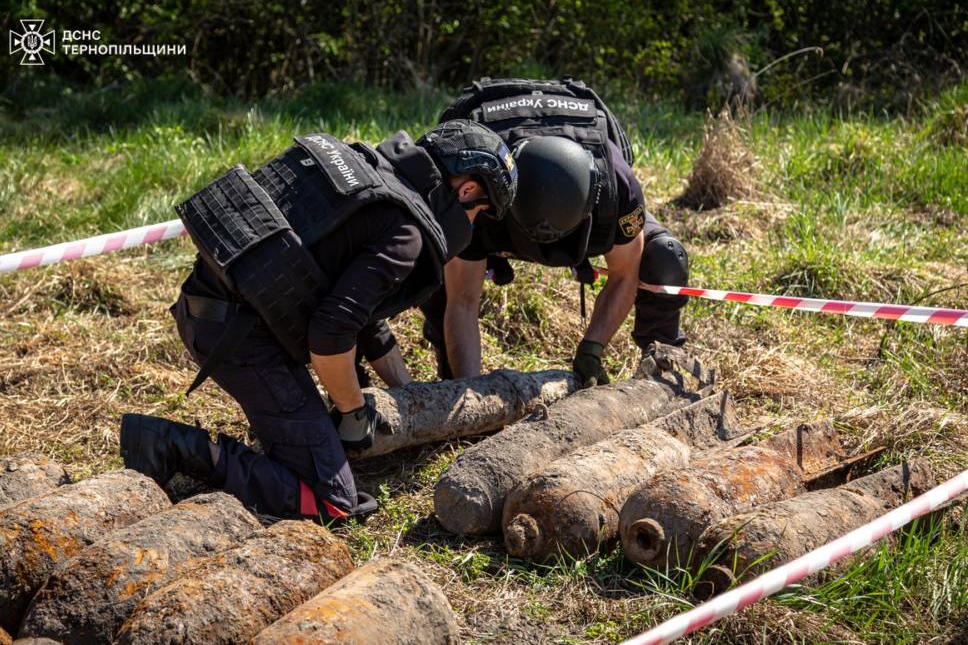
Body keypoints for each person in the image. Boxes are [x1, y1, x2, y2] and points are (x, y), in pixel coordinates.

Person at [120, 120, 517, 521]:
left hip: (210, 308)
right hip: (240, 338)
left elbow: (360, 316)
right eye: (480, 212)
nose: (472, 224)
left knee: (323, 443)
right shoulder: (406, 233)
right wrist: (353, 412)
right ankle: (168, 446)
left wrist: (408, 391)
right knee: (333, 501)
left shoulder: (370, 171)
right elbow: (331, 333)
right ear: (467, 190)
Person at [420, 78, 690, 387]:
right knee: (435, 255)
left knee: (666, 257)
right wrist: (468, 389)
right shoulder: (481, 186)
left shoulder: (617, 185)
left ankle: (662, 371)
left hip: (581, 200)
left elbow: (624, 275)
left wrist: (592, 349)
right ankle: (450, 374)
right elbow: (462, 301)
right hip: (498, 208)